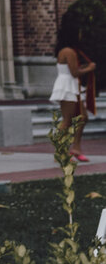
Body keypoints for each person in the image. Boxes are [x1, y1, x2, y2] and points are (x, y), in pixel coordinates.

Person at [51, 16, 97, 164]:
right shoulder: (68, 51)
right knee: (67, 120)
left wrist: (83, 68)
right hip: (67, 87)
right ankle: (61, 151)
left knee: (83, 118)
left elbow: (74, 70)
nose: (80, 35)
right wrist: (89, 68)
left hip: (73, 85)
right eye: (78, 33)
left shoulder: (71, 51)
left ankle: (76, 148)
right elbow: (74, 73)